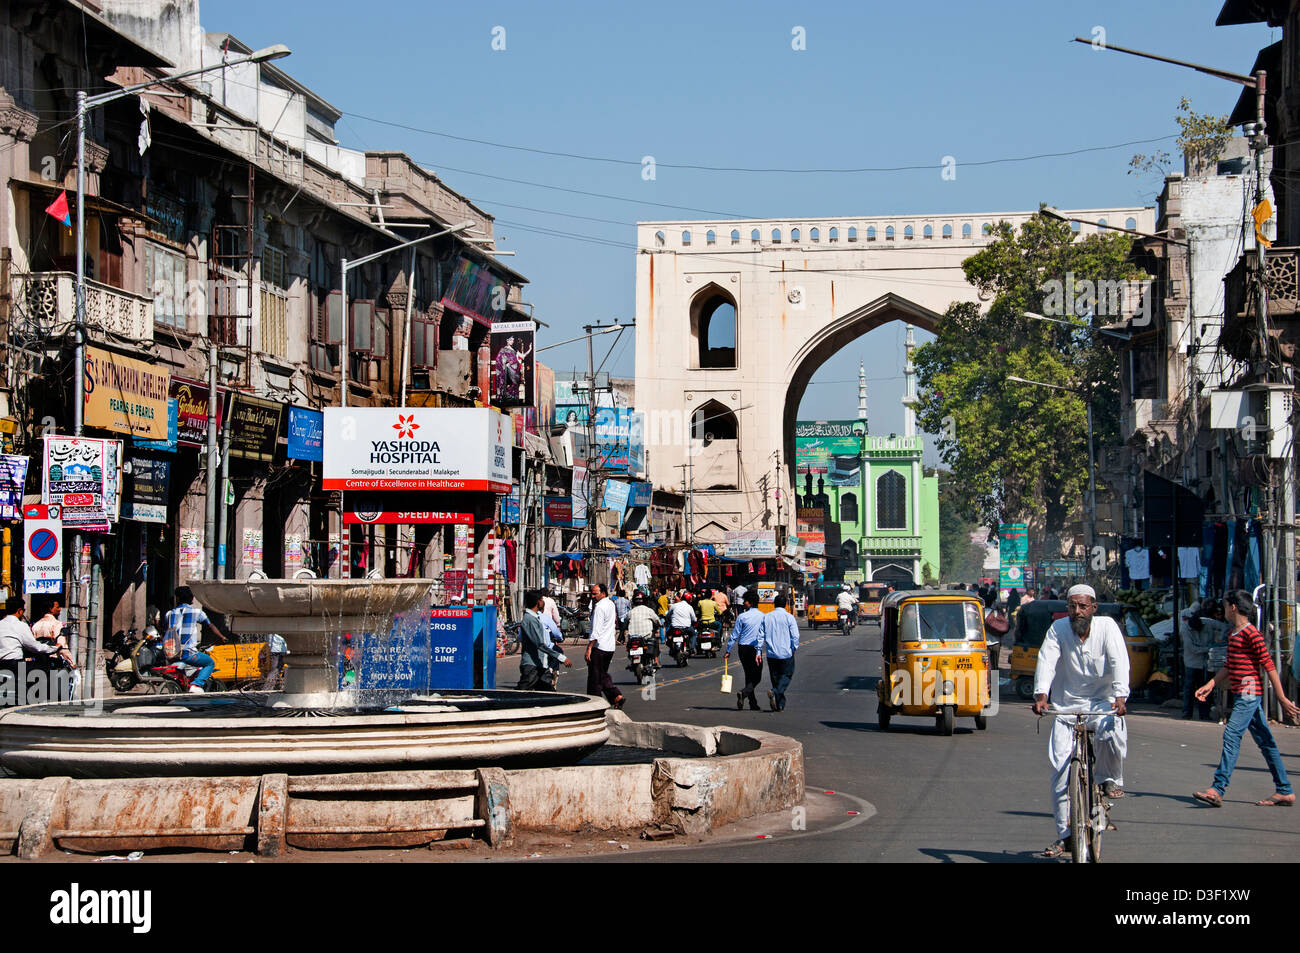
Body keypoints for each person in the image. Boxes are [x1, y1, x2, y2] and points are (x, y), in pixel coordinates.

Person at [1032, 584, 1129, 859]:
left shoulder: (1108, 628)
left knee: (1112, 733)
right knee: (1060, 771)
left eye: (1083, 606)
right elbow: (1046, 661)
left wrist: (1121, 696)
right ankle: (1066, 834)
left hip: (1102, 703)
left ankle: (1109, 779)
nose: (1077, 611)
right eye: (1072, 606)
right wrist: (1041, 695)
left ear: (1094, 608)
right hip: (1065, 707)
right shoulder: (1059, 630)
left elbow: (1119, 661)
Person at [1193, 590, 1300, 808]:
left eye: (1225, 606)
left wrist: (1281, 698)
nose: (1222, 610)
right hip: (1244, 694)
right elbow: (1229, 666)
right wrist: (1210, 684)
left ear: (1233, 607)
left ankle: (1217, 788)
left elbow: (1269, 666)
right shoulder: (1234, 634)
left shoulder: (1252, 634)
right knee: (1267, 743)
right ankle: (1285, 790)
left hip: (1250, 695)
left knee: (1231, 734)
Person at [165, 585, 227, 693]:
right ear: (191, 598)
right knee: (209, 663)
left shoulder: (169, 614)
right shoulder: (197, 612)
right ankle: (196, 684)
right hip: (188, 653)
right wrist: (221, 637)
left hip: (171, 653)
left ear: (177, 598)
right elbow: (210, 625)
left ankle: (183, 685)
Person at [518, 590, 570, 690]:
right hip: (532, 666)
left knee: (548, 693)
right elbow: (540, 644)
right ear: (538, 602)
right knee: (521, 694)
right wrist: (561, 657)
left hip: (541, 664)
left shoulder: (536, 618)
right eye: (542, 599)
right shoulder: (530, 620)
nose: (544, 602)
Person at [0, 596, 71, 671]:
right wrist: (55, 648)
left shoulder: (36, 625)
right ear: (19, 611)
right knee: (44, 671)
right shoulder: (21, 625)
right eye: (23, 610)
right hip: (14, 665)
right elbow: (35, 647)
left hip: (2, 665)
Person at [1181, 600, 1222, 721]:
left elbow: (1224, 627)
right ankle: (1187, 712)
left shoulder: (1206, 623)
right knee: (1189, 687)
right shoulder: (1185, 629)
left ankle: (1204, 713)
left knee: (1204, 688)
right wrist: (1208, 648)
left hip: (1205, 663)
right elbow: (1192, 649)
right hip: (1192, 662)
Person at [585, 583, 624, 709]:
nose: (593, 596)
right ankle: (615, 697)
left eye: (595, 593)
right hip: (609, 646)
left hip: (599, 646)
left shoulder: (600, 607)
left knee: (595, 679)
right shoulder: (610, 604)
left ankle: (597, 705)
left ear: (603, 593)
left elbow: (596, 630)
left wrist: (589, 648)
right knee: (602, 674)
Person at [726, 589, 766, 711]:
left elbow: (734, 635)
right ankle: (744, 693)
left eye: (745, 601)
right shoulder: (763, 616)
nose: (744, 603)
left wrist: (728, 650)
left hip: (742, 648)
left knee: (748, 674)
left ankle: (753, 703)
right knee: (757, 676)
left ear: (749, 603)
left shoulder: (742, 617)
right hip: (754, 648)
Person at [761, 594, 800, 712]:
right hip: (786, 653)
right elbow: (795, 635)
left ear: (774, 604)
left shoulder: (766, 617)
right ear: (785, 605)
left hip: (771, 653)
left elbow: (760, 635)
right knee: (786, 675)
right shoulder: (789, 617)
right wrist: (794, 648)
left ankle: (779, 705)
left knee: (775, 678)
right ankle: (775, 693)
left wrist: (758, 651)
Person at [667, 590, 698, 656]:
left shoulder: (674, 606)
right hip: (686, 627)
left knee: (668, 634)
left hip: (674, 627)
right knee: (693, 634)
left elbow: (668, 615)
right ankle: (692, 648)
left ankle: (671, 648)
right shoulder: (689, 607)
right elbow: (694, 619)